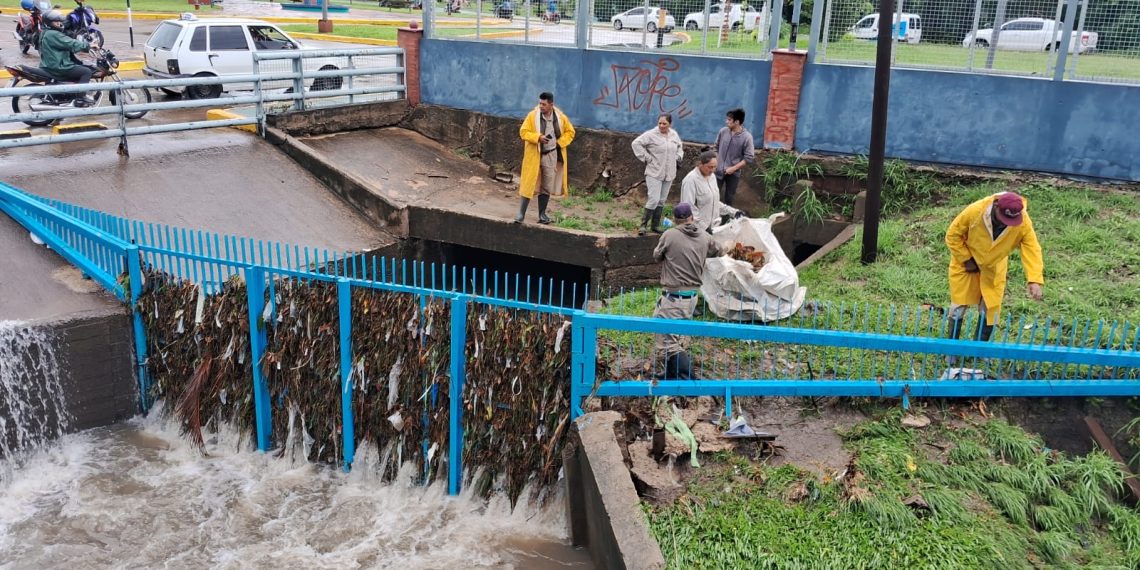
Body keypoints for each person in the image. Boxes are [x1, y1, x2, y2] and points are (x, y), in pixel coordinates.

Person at [945, 191, 1044, 343]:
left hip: (994, 267)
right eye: (1003, 218)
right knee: (958, 305)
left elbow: (1031, 247)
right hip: (966, 264)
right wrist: (966, 259)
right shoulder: (976, 211)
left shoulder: (1023, 220)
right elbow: (952, 235)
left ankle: (979, 350)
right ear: (996, 206)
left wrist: (1034, 279)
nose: (1006, 223)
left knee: (990, 309)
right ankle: (951, 350)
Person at [652, 202, 724, 379]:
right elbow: (719, 251)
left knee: (668, 341)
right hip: (692, 297)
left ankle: (688, 378)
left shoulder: (670, 235)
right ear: (691, 217)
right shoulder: (705, 237)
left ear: (676, 219)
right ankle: (670, 375)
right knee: (672, 335)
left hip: (674, 296)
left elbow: (656, 256)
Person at [516, 91, 575, 224]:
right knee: (528, 182)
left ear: (551, 105)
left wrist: (559, 143)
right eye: (540, 103)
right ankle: (520, 214)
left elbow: (570, 132)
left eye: (544, 104)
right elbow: (523, 132)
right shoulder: (532, 116)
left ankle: (542, 215)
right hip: (535, 153)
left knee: (547, 184)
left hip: (551, 154)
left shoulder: (560, 117)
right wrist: (538, 137)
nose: (541, 106)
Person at [631, 113, 684, 236]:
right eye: (659, 123)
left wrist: (678, 156)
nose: (661, 125)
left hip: (669, 173)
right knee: (654, 199)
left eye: (664, 123)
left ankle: (655, 225)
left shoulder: (674, 135)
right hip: (654, 172)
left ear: (670, 124)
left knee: (661, 200)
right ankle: (643, 225)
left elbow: (680, 147)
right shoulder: (651, 134)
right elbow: (636, 144)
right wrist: (647, 158)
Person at [38, 9, 95, 106]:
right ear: (49, 23)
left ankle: (73, 94)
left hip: (50, 64)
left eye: (59, 21)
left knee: (80, 66)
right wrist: (88, 46)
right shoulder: (53, 34)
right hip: (58, 67)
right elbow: (70, 43)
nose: (59, 23)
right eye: (56, 21)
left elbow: (65, 44)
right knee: (86, 71)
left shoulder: (46, 32)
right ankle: (81, 97)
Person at [680, 149, 744, 234]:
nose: (712, 170)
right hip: (697, 230)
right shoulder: (690, 180)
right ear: (700, 164)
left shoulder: (712, 177)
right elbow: (688, 208)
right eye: (710, 167)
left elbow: (714, 202)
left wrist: (733, 212)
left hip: (714, 227)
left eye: (715, 167)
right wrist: (703, 227)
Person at [712, 108, 755, 207]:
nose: (726, 122)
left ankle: (726, 220)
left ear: (737, 122)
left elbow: (749, 158)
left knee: (729, 199)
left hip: (733, 174)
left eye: (729, 120)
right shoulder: (723, 131)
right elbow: (715, 147)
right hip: (717, 170)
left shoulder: (747, 137)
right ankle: (712, 220)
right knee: (712, 197)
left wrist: (733, 168)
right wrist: (717, 162)